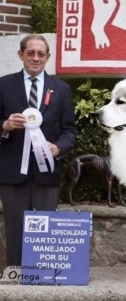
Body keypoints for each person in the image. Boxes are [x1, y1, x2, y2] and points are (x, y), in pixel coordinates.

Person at [0, 34, 77, 267]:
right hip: (12, 172)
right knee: (14, 229)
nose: (35, 58)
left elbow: (70, 131)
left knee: (45, 231)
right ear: (20, 54)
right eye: (30, 53)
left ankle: (42, 281)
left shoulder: (61, 89)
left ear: (48, 57)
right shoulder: (3, 85)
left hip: (47, 173)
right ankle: (15, 277)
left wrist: (58, 147)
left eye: (40, 54)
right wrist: (4, 126)